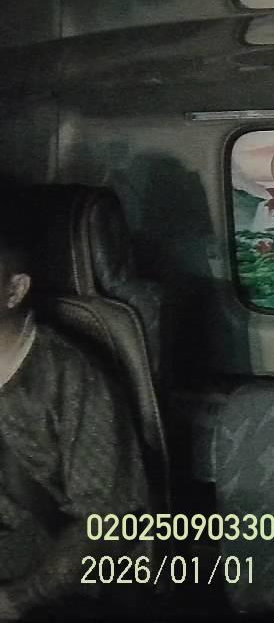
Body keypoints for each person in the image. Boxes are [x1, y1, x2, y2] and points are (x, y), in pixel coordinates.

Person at [0, 214, 149, 619]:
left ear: (15, 290)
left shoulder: (70, 376)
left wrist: (19, 599)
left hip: (50, 581)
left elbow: (109, 519)